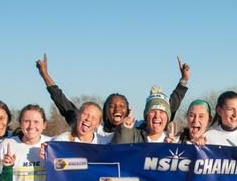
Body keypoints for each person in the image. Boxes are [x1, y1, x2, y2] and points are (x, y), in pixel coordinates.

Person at [36, 53, 189, 136]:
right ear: (105, 111)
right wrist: (45, 76)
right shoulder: (95, 128)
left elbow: (167, 109)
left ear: (128, 111)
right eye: (112, 106)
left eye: (122, 106)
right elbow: (64, 105)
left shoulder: (138, 128)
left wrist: (183, 81)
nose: (117, 109)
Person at [112, 87, 182, 144]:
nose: (157, 116)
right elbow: (117, 151)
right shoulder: (134, 136)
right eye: (153, 111)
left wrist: (170, 148)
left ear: (167, 118)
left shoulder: (174, 142)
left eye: (161, 112)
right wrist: (125, 130)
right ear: (146, 116)